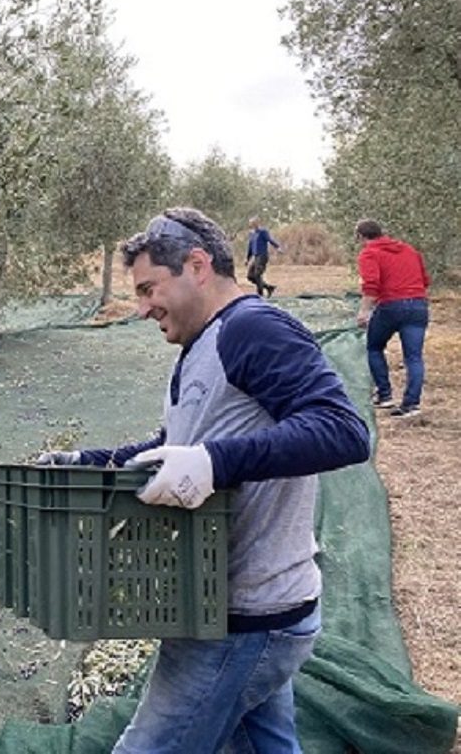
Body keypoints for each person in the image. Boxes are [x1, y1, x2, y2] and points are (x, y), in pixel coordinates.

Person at [37, 207, 370, 753]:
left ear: (196, 265)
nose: (142, 308)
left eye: (149, 289)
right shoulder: (201, 346)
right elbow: (171, 449)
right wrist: (89, 461)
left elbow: (342, 430)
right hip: (239, 609)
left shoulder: (253, 328)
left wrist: (213, 463)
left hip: (245, 618)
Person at [355, 219, 431, 418]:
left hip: (391, 306)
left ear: (362, 237)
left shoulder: (369, 253)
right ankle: (412, 404)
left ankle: (385, 394)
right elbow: (425, 280)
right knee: (413, 357)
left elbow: (371, 286)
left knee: (374, 347)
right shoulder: (409, 250)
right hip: (418, 305)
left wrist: (364, 312)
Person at [245, 216, 282, 297]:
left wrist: (277, 247)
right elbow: (250, 247)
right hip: (255, 257)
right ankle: (269, 287)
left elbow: (270, 239)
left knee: (257, 274)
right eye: (251, 223)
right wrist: (247, 259)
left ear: (257, 223)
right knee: (250, 276)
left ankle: (260, 294)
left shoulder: (262, 232)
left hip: (262, 256)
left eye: (253, 222)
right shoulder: (252, 234)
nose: (252, 224)